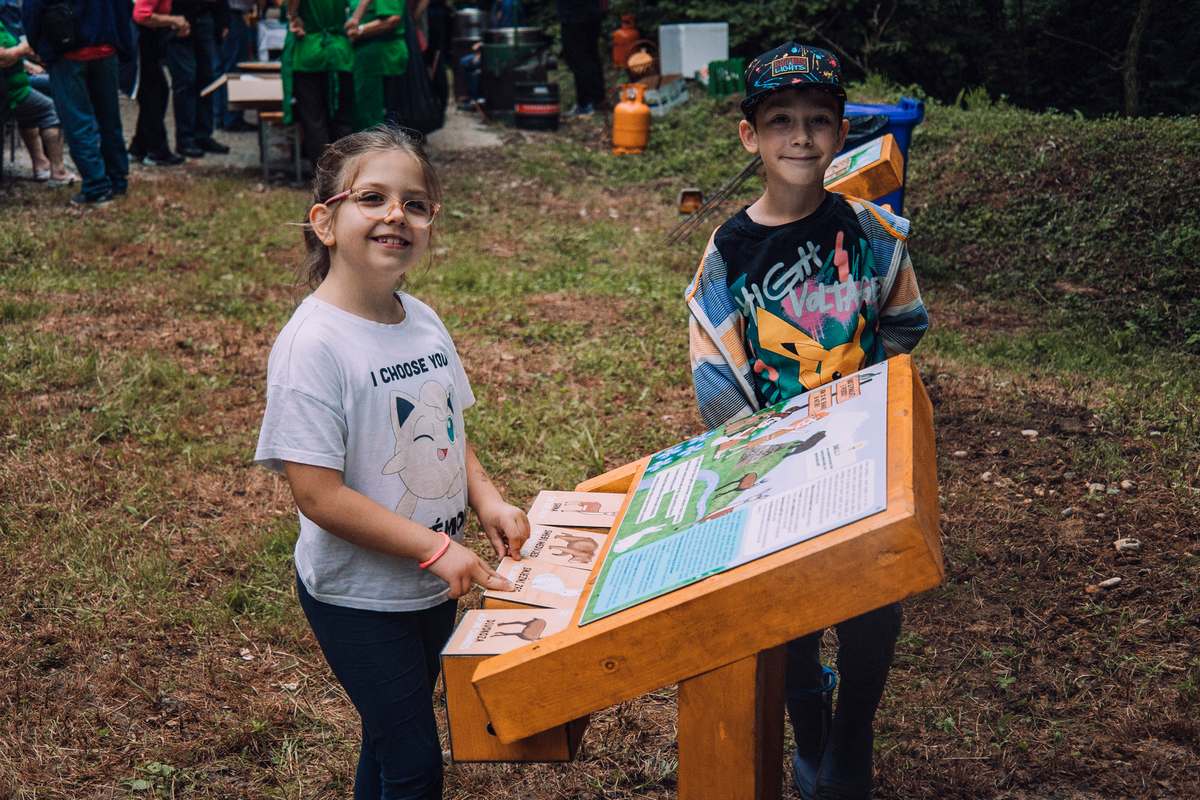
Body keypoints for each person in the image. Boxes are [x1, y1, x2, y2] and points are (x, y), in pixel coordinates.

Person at [684, 43, 929, 800]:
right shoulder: (729, 252)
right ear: (749, 136)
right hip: (773, 464)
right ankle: (810, 726)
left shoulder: (868, 232)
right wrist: (776, 447)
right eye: (780, 120)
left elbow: (904, 320)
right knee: (784, 613)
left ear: (839, 132)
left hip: (859, 453)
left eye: (818, 120)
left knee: (871, 604)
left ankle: (852, 738)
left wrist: (861, 400)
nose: (800, 137)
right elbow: (716, 375)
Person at [255, 126, 529, 799]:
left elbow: (450, 430)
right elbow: (318, 495)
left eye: (415, 203)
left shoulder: (424, 320)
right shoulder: (312, 347)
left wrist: (488, 499)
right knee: (413, 761)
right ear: (325, 220)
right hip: (357, 597)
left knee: (387, 735)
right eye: (372, 197)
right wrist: (435, 550)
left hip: (429, 586)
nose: (394, 215)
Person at [22, 0, 133, 205]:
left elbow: (32, 12)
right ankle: (117, 180)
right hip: (105, 47)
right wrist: (124, 44)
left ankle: (97, 187)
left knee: (78, 122)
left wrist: (41, 49)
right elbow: (124, 7)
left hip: (67, 51)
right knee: (109, 118)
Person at [0, 18, 76, 184]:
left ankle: (41, 165)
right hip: (12, 93)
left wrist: (25, 63)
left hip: (18, 86)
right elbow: (3, 58)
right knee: (51, 110)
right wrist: (23, 48)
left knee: (34, 109)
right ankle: (58, 172)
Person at [282, 0, 354, 170]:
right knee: (342, 119)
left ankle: (324, 176)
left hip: (309, 51)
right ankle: (344, 174)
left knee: (314, 120)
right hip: (339, 53)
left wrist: (293, 16)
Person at [167, 0, 230, 158]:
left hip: (206, 15)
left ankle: (202, 134)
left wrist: (223, 19)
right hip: (181, 17)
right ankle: (185, 138)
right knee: (186, 80)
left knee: (206, 79)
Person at [130, 0, 190, 166]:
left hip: (149, 42)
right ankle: (157, 151)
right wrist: (173, 20)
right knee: (154, 94)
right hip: (140, 44)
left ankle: (139, 147)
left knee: (155, 93)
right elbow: (141, 15)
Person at [345, 0, 405, 130]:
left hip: (383, 57)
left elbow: (393, 19)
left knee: (386, 116)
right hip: (366, 57)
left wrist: (360, 29)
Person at [215, 0, 259, 131]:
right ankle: (231, 117)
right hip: (232, 13)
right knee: (233, 67)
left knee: (224, 66)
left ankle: (221, 116)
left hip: (228, 13)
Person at [555, 0, 604, 117]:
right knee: (590, 55)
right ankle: (597, 100)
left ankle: (586, 103)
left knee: (578, 59)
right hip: (589, 14)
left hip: (575, 16)